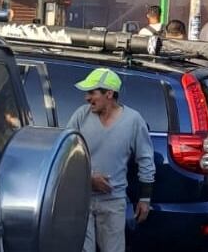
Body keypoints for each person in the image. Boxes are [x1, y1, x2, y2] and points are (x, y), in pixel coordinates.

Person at [66, 68, 155, 252]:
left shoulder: (133, 121)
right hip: (81, 200)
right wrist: (89, 179)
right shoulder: (81, 116)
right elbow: (65, 154)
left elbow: (145, 160)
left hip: (113, 202)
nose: (87, 98)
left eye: (92, 92)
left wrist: (145, 199)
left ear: (109, 93)